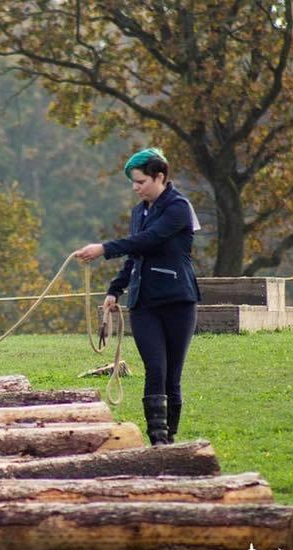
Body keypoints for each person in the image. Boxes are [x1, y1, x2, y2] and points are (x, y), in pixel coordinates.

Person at [75, 148, 201, 445]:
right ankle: (157, 439)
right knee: (154, 368)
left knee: (172, 374)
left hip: (177, 300)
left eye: (141, 182)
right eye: (134, 182)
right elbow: (136, 252)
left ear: (160, 177)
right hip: (144, 302)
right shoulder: (139, 211)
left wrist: (104, 248)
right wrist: (115, 290)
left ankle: (170, 437)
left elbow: (150, 239)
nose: (136, 188)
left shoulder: (178, 208)